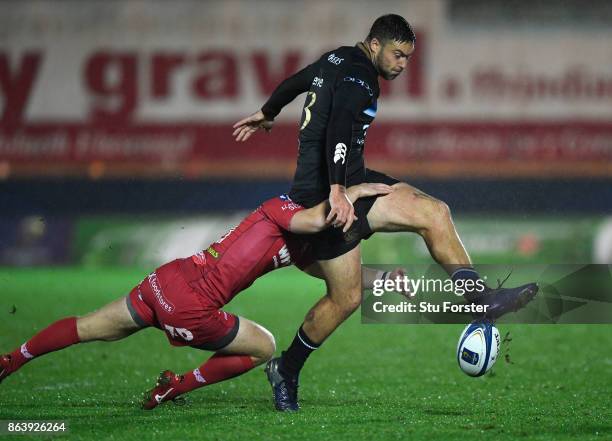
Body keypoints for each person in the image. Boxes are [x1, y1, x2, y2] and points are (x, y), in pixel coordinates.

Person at [233, 14, 538, 411]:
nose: (402, 64)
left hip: (353, 182)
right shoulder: (361, 77)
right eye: (397, 54)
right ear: (374, 44)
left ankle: (479, 300)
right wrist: (340, 191)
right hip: (324, 197)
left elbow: (296, 82)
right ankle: (286, 370)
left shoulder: (337, 59)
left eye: (409, 57)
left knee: (434, 212)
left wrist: (268, 111)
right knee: (345, 299)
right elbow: (340, 124)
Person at [0, 184, 400, 410]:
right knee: (265, 347)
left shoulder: (300, 247)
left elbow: (332, 280)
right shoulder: (281, 207)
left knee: (91, 327)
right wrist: (355, 191)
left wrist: (380, 279)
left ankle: (11, 359)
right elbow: (317, 217)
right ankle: (175, 387)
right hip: (190, 307)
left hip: (165, 280)